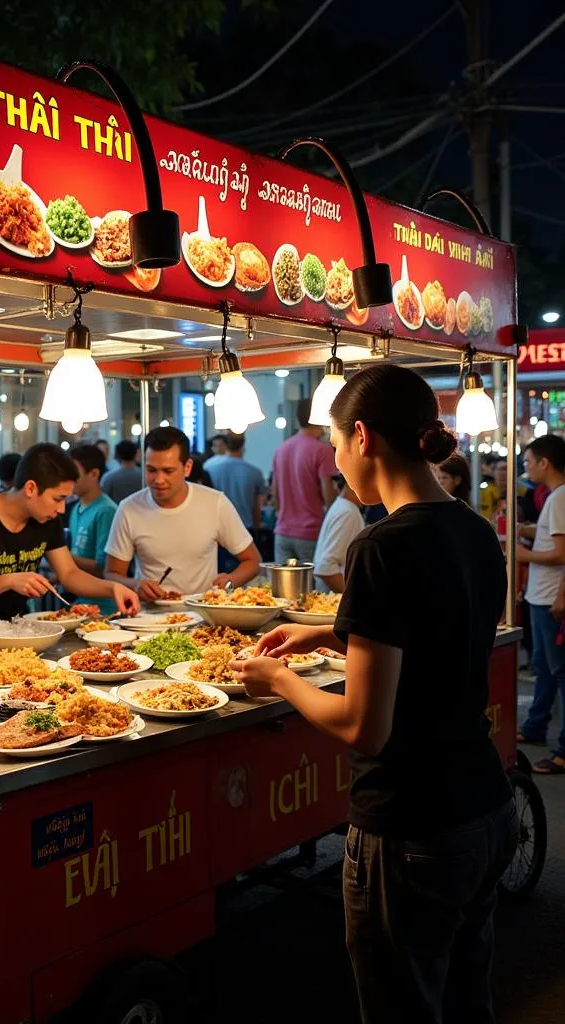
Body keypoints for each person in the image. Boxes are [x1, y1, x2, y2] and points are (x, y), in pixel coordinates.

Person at [229, 364, 515, 1024]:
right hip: (484, 808)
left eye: (333, 440)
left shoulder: (381, 545)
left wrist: (279, 679)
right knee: (469, 1003)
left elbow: (364, 726)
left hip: (414, 828)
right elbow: (433, 641)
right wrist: (328, 634)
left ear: (362, 437)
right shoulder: (472, 529)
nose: (332, 457)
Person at [0, 443, 139, 620]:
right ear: (30, 488)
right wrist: (9, 580)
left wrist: (113, 588)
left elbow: (69, 574)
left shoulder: (48, 519)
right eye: (57, 498)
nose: (62, 509)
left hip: (20, 627)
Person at [104, 426, 261, 600]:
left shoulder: (215, 503)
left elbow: (252, 560)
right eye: (151, 470)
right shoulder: (129, 508)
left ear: (187, 467)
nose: (159, 480)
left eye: (168, 471)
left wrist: (230, 580)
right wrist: (136, 585)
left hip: (204, 614)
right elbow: (112, 573)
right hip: (148, 617)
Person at [516, 434, 565, 773]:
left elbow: (562, 553)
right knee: (545, 669)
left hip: (551, 597)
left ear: (545, 463)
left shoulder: (560, 498)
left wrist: (523, 553)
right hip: (540, 596)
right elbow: (553, 537)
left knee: (560, 672)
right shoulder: (555, 498)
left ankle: (563, 750)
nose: (526, 467)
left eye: (529, 461)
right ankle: (535, 726)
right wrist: (526, 530)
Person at [271, 398, 338, 564]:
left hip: (282, 531)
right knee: (310, 588)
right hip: (311, 532)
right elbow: (328, 496)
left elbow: (275, 494)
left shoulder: (281, 449)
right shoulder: (322, 450)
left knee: (283, 588)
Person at [67, 443, 118, 617]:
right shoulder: (76, 507)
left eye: (75, 474)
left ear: (94, 474)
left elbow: (101, 567)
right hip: (81, 602)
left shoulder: (106, 510)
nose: (69, 479)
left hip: (104, 607)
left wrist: (63, 559)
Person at [203, 431, 267, 532]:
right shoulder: (254, 472)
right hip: (245, 528)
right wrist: (257, 526)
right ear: (243, 446)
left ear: (226, 446)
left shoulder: (210, 468)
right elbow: (257, 505)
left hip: (217, 528)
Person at [312, 475, 364, 592]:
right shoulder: (348, 512)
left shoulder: (343, 507)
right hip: (334, 603)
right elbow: (325, 567)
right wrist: (353, 600)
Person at [101, 440, 142, 504]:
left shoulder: (108, 478)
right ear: (135, 454)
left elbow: (103, 500)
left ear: (117, 456)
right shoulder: (143, 476)